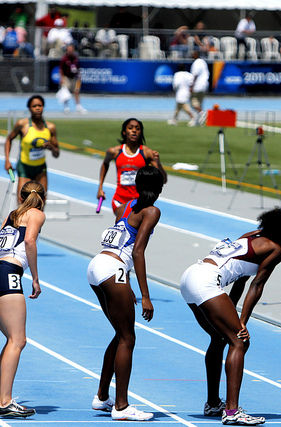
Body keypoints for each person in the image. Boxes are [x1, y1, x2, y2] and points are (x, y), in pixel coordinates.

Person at [180, 208, 281, 426]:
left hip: (190, 276)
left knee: (220, 338)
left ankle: (214, 403)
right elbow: (257, 285)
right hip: (206, 281)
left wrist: (233, 312)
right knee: (240, 340)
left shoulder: (251, 236)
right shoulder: (278, 248)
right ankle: (232, 411)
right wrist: (242, 321)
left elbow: (240, 279)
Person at [87, 166, 164, 421]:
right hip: (113, 267)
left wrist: (126, 281)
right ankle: (121, 406)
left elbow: (121, 241)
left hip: (98, 264)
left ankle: (101, 397)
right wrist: (145, 295)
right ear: (160, 188)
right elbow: (138, 251)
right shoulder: (152, 211)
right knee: (128, 339)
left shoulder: (126, 205)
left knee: (120, 335)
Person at [0, 181, 45, 418]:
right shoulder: (37, 214)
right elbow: (29, 241)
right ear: (43, 198)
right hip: (9, 272)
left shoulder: (12, 214)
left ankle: (0, 400)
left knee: (12, 340)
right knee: (18, 341)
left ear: (21, 196)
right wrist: (36, 278)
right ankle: (6, 401)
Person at [97, 118, 167, 213]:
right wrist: (100, 188)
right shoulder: (114, 151)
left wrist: (158, 163)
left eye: (137, 129)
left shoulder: (147, 153)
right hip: (119, 200)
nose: (134, 130)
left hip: (140, 201)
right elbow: (105, 164)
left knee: (134, 226)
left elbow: (163, 180)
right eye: (130, 128)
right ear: (124, 132)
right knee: (126, 223)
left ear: (141, 132)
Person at [4, 95, 59, 203]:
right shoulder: (22, 124)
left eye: (40, 105)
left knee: (41, 202)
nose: (38, 108)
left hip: (40, 168)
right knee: (22, 201)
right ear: (29, 108)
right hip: (25, 167)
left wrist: (51, 147)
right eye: (34, 106)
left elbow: (56, 153)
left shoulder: (50, 127)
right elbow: (9, 139)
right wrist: (7, 160)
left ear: (43, 107)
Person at [58, 43, 86, 113]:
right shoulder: (64, 59)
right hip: (66, 77)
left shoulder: (75, 58)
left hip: (75, 77)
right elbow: (61, 69)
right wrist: (61, 78)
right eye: (69, 49)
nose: (70, 51)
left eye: (71, 49)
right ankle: (66, 107)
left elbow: (78, 68)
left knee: (76, 91)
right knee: (65, 92)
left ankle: (78, 106)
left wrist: (79, 77)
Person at [189, 50, 209, 126]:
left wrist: (191, 86)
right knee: (200, 103)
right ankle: (199, 121)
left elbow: (195, 75)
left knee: (193, 102)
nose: (192, 55)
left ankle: (202, 113)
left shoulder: (196, 63)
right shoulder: (203, 62)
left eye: (193, 54)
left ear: (196, 55)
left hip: (198, 85)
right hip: (204, 85)